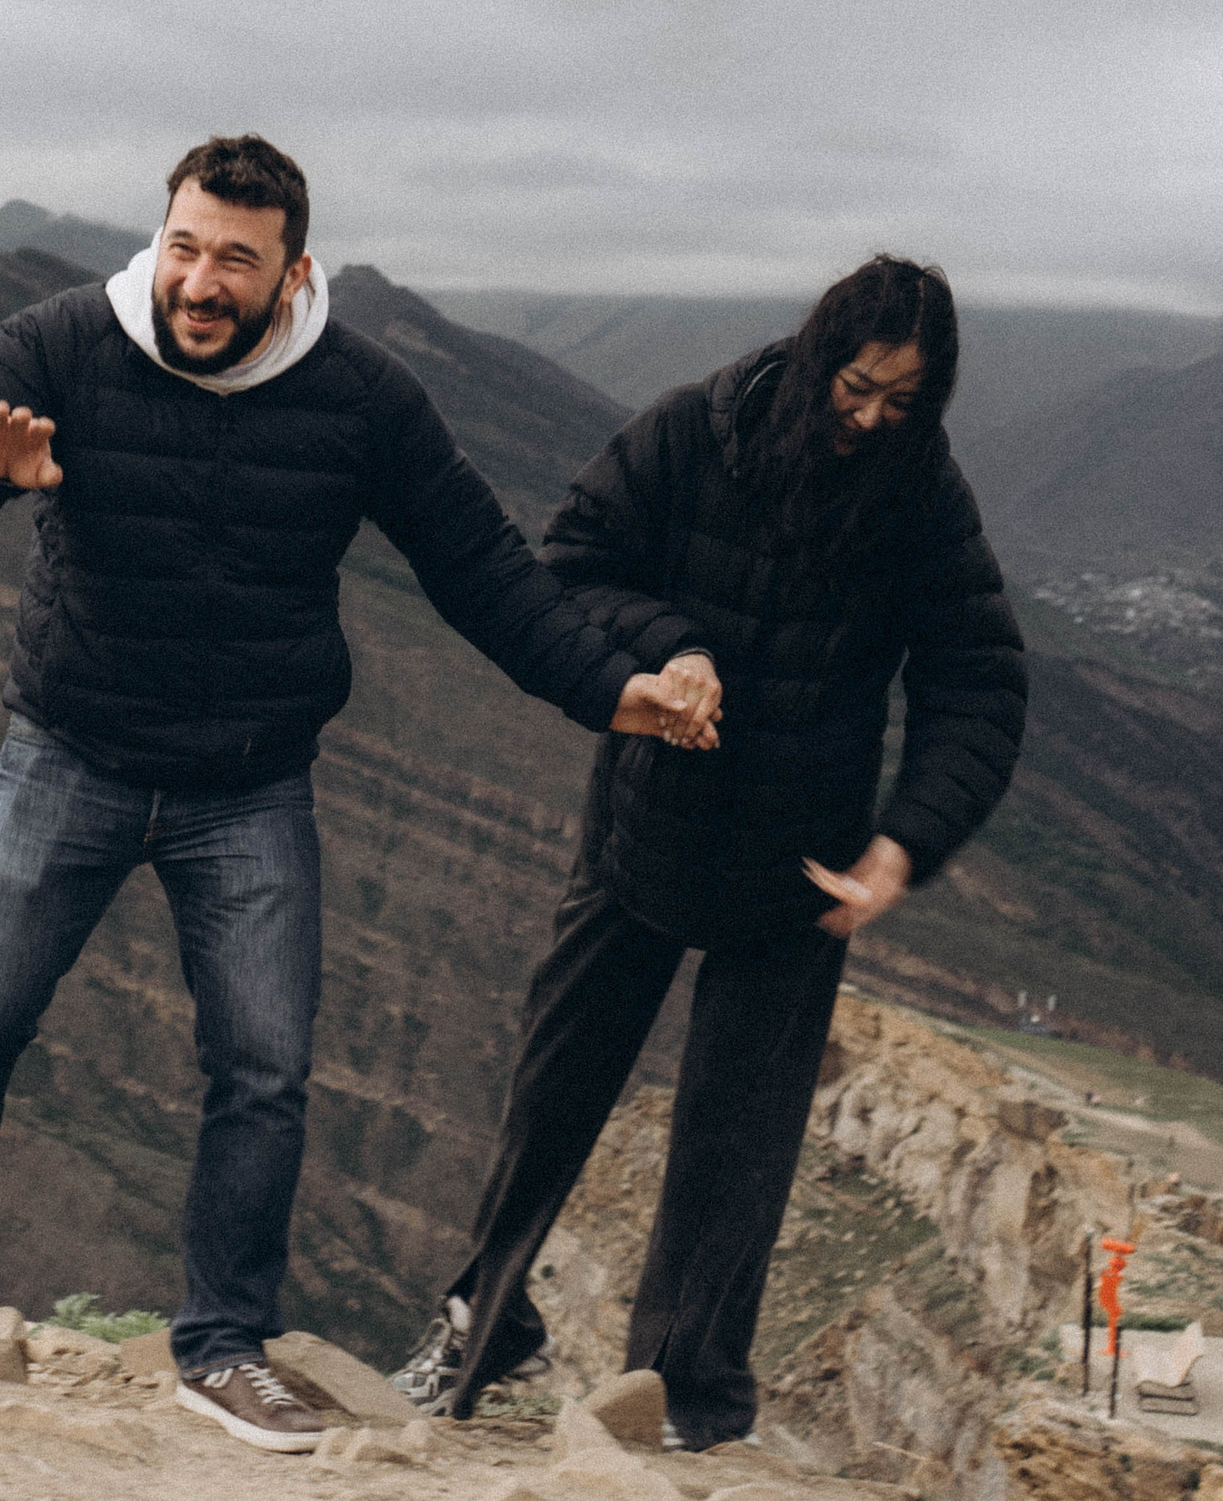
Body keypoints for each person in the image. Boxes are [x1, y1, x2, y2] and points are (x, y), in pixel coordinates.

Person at [0, 134, 718, 1455]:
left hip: (248, 783)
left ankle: (222, 1344)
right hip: (72, 751)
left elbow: (482, 569)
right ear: (163, 239)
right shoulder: (69, 340)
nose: (200, 282)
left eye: (235, 262)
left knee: (263, 1067)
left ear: (290, 273)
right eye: (186, 248)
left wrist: (614, 689)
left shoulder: (359, 397)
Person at [389, 255, 1028, 1447]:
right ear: (816, 357)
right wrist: (672, 650)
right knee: (553, 1095)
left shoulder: (921, 495)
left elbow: (977, 684)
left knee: (737, 1145)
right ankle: (482, 1324)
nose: (872, 419)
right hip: (642, 825)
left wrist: (906, 842)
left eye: (902, 401)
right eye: (856, 389)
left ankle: (678, 1397)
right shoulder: (695, 429)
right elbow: (576, 561)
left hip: (802, 868)